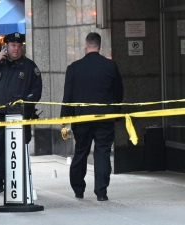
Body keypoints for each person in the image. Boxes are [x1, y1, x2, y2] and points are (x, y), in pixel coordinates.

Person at [60, 32, 123, 201]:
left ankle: (78, 189)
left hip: (82, 119)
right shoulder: (110, 66)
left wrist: (64, 119)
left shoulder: (73, 68)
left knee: (81, 152)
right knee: (102, 153)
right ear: (100, 47)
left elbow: (68, 97)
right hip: (105, 118)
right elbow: (119, 92)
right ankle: (101, 192)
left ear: (85, 46)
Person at [0, 32, 42, 193]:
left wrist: (24, 104)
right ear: (7, 46)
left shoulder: (29, 67)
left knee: (18, 151)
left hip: (18, 118)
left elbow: (36, 91)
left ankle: (18, 182)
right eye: (13, 45)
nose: (16, 49)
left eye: (19, 46)